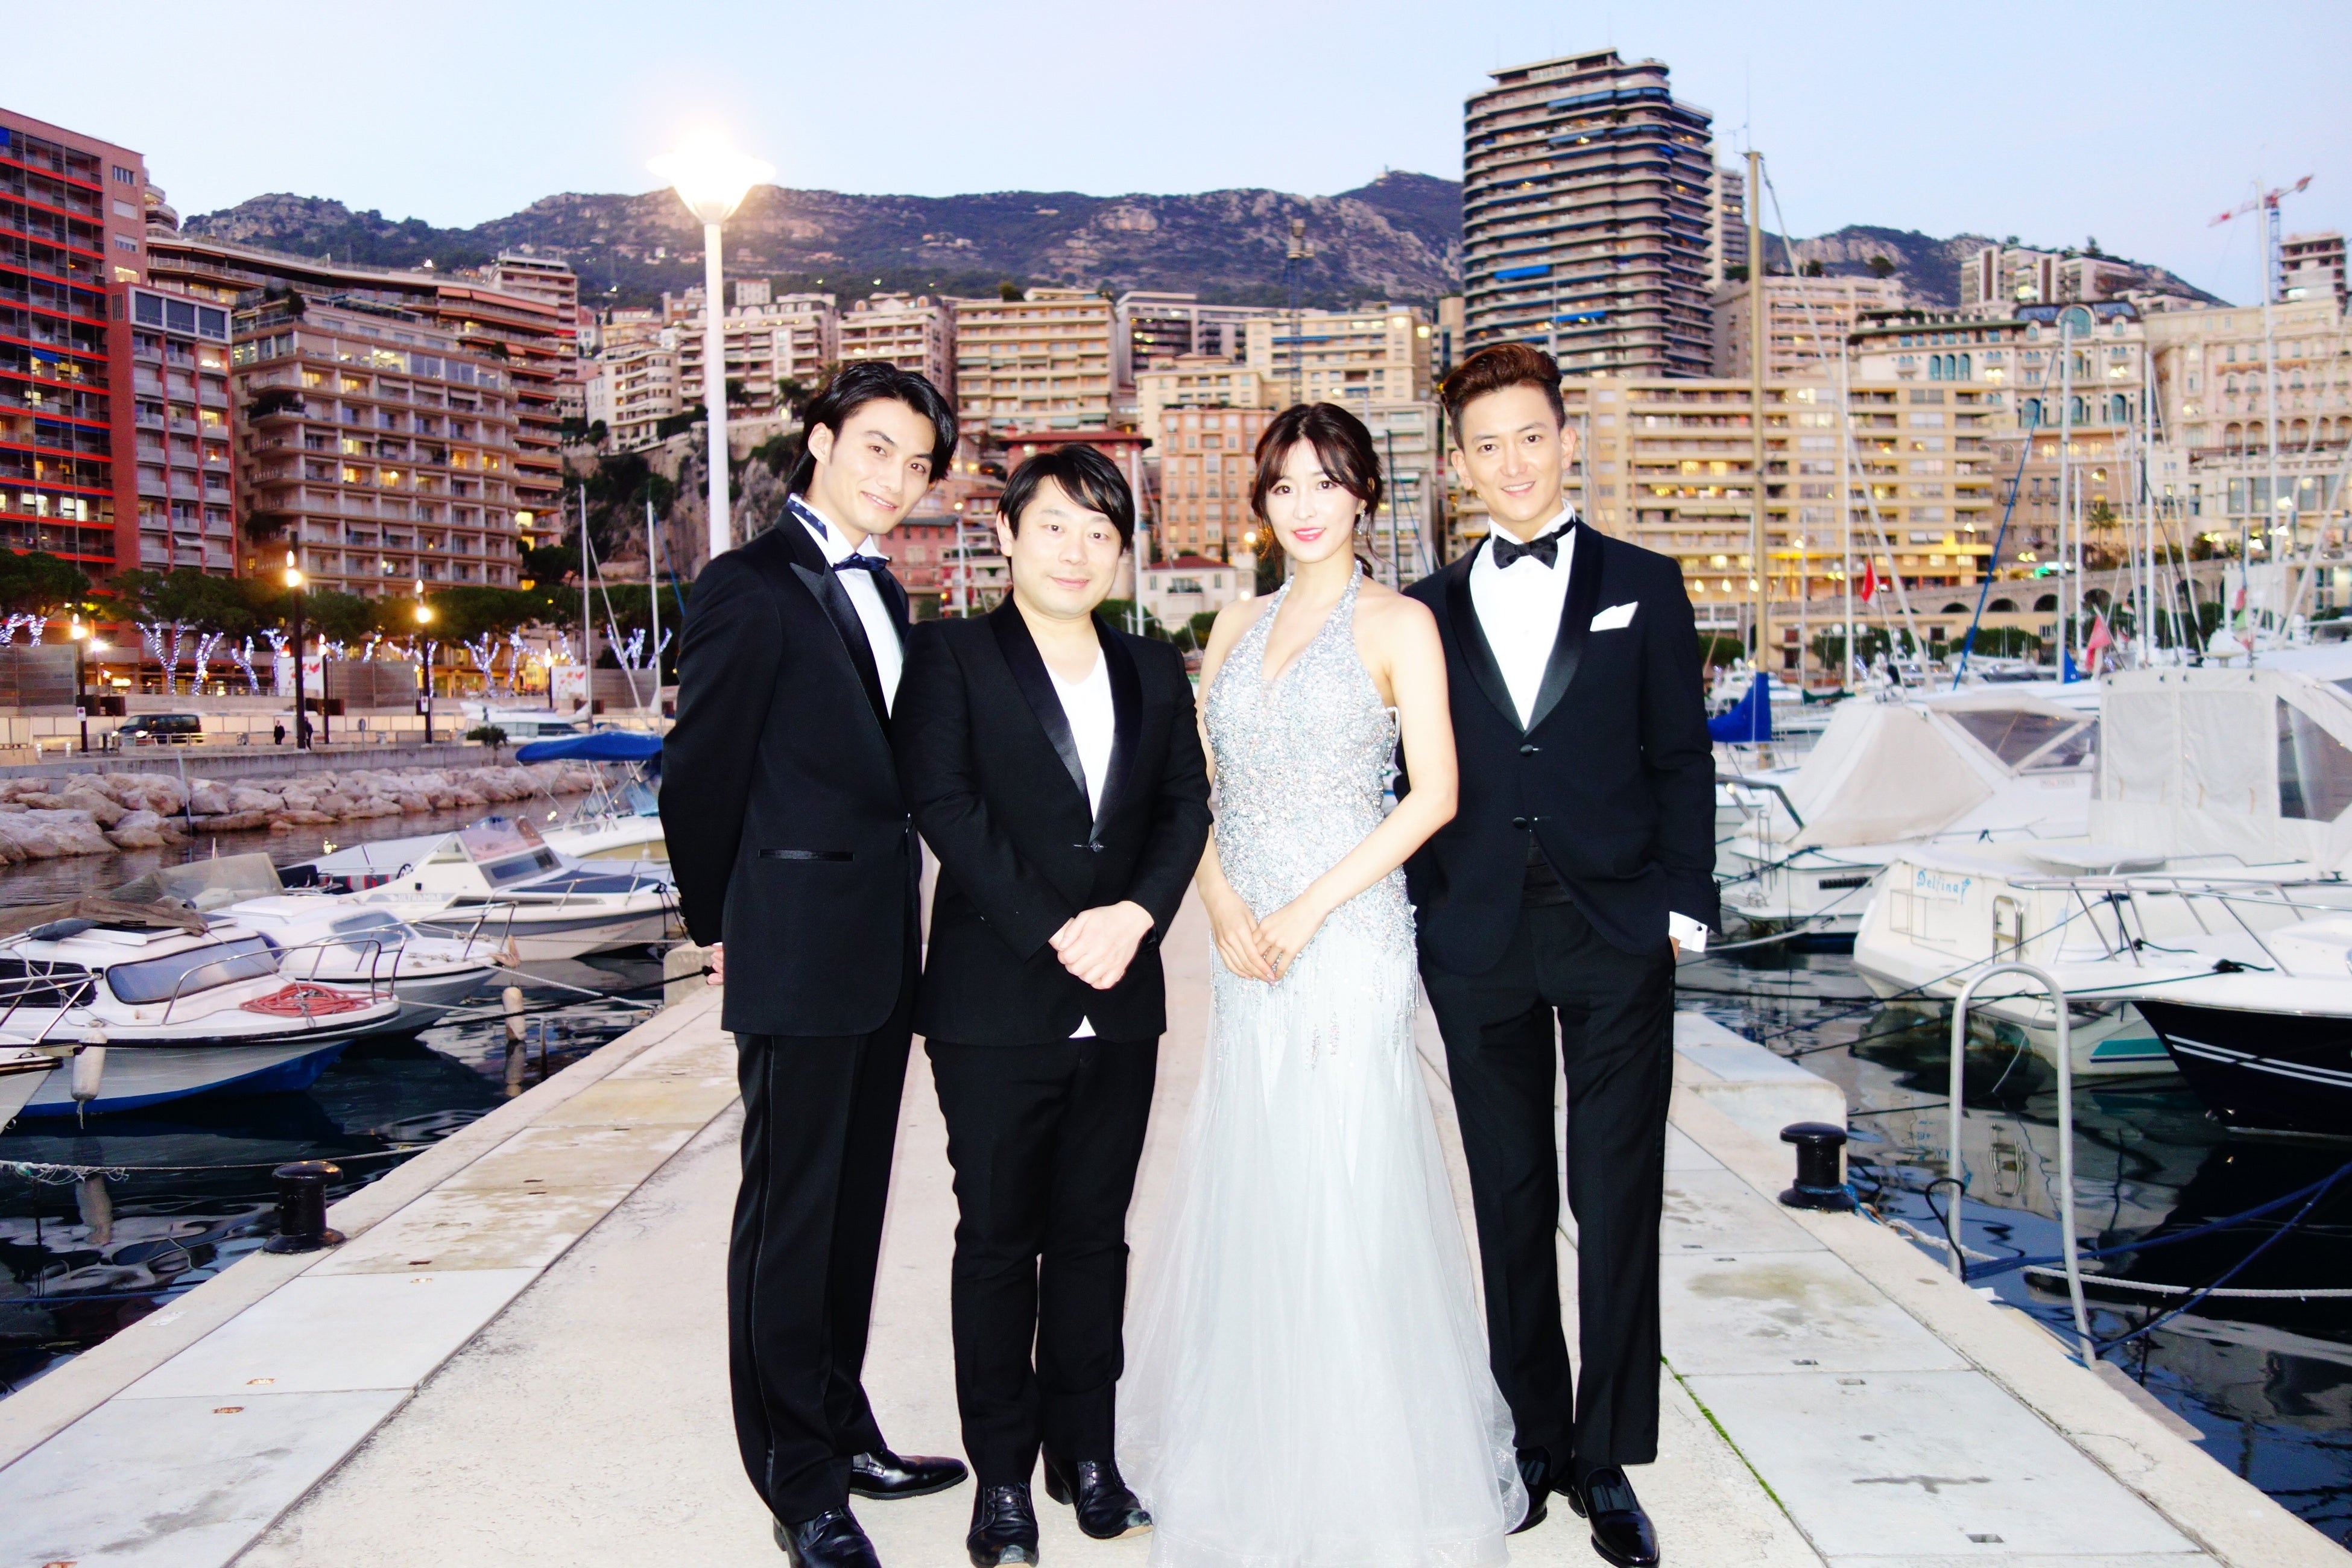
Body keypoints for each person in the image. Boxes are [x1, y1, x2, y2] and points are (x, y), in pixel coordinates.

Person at [1119, 403, 1524, 1567]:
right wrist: (1221, 905)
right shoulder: (1235, 622)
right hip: (1244, 941)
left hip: (1346, 939)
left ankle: (1366, 1467)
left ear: (1364, 496)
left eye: (1327, 483)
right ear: (1264, 501)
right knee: (1257, 1168)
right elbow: (1193, 788)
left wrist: (1305, 909)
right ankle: (1254, 1446)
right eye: (1286, 485)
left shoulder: (1402, 624)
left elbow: (1434, 794)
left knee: (1346, 1177)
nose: (1305, 507)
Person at [1402, 343, 1718, 1568]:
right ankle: (1531, 1442)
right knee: (1510, 1195)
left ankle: (1607, 1456)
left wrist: (1685, 907)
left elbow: (1681, 757)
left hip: (1616, 928)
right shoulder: (1424, 608)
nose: (1514, 463)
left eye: (1531, 436)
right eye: (1488, 446)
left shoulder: (1647, 583)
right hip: (1476, 934)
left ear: (1566, 440)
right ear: (1459, 465)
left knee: (1616, 1195)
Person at [661, 361, 971, 1568]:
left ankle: (843, 1430)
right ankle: (797, 1483)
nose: (896, 477)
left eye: (918, 463)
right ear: (823, 439)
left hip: (881, 946)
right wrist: (718, 924)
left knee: (851, 1211)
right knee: (789, 1218)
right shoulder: (746, 586)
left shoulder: (885, 590)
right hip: (793, 942)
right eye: (878, 447)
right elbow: (700, 775)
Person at [895, 445, 1212, 1568]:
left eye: (1101, 533)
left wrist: (1137, 915)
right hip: (993, 999)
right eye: (1056, 527)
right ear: (1009, 535)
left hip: (1123, 1000)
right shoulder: (951, 656)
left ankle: (1089, 1457)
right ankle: (1001, 1479)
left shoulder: (1153, 667)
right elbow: (945, 804)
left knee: (1093, 1240)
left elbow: (1185, 808)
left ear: (1121, 553)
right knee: (996, 1242)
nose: (1077, 552)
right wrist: (1055, 927)